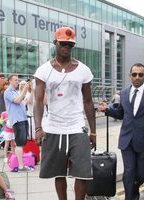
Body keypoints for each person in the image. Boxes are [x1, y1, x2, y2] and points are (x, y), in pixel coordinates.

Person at [33, 26, 96, 200]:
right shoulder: (43, 70)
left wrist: (93, 131)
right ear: (55, 43)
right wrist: (38, 128)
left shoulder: (83, 70)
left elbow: (88, 102)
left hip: (77, 126)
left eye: (70, 44)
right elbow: (38, 101)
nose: (66, 47)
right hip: (53, 127)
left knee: (83, 173)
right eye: (63, 43)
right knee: (58, 172)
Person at [98, 63, 144, 200]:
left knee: (141, 175)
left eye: (140, 74)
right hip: (126, 140)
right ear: (130, 76)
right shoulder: (124, 93)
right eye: (134, 74)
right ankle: (131, 197)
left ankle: (133, 192)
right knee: (129, 173)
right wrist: (107, 110)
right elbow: (121, 114)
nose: (137, 77)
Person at [4, 74, 31, 172]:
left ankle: (21, 165)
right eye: (15, 80)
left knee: (22, 143)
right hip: (17, 120)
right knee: (19, 144)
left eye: (17, 79)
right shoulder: (8, 92)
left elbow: (22, 103)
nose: (17, 81)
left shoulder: (15, 92)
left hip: (22, 119)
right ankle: (20, 166)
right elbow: (17, 100)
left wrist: (29, 95)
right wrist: (25, 89)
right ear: (10, 81)